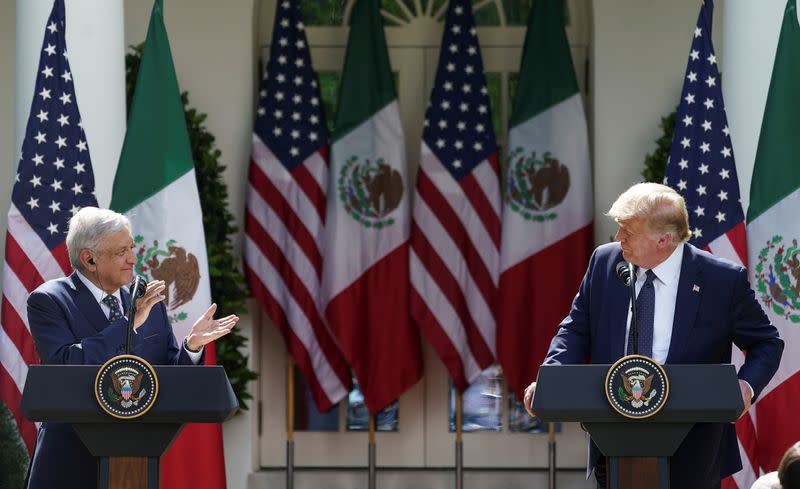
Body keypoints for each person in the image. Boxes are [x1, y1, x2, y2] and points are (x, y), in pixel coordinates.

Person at [523, 183, 784, 489]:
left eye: (628, 231)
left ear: (664, 239)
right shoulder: (605, 263)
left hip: (695, 448)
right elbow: (576, 329)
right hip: (613, 440)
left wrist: (746, 386)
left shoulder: (721, 280)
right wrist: (552, 379)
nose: (619, 238)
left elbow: (767, 343)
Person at [25, 207, 239, 489]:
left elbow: (166, 379)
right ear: (89, 259)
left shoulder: (148, 300)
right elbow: (65, 364)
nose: (133, 259)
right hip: (68, 460)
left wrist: (192, 346)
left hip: (137, 461)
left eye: (132, 248)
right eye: (121, 252)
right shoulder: (49, 300)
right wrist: (129, 322)